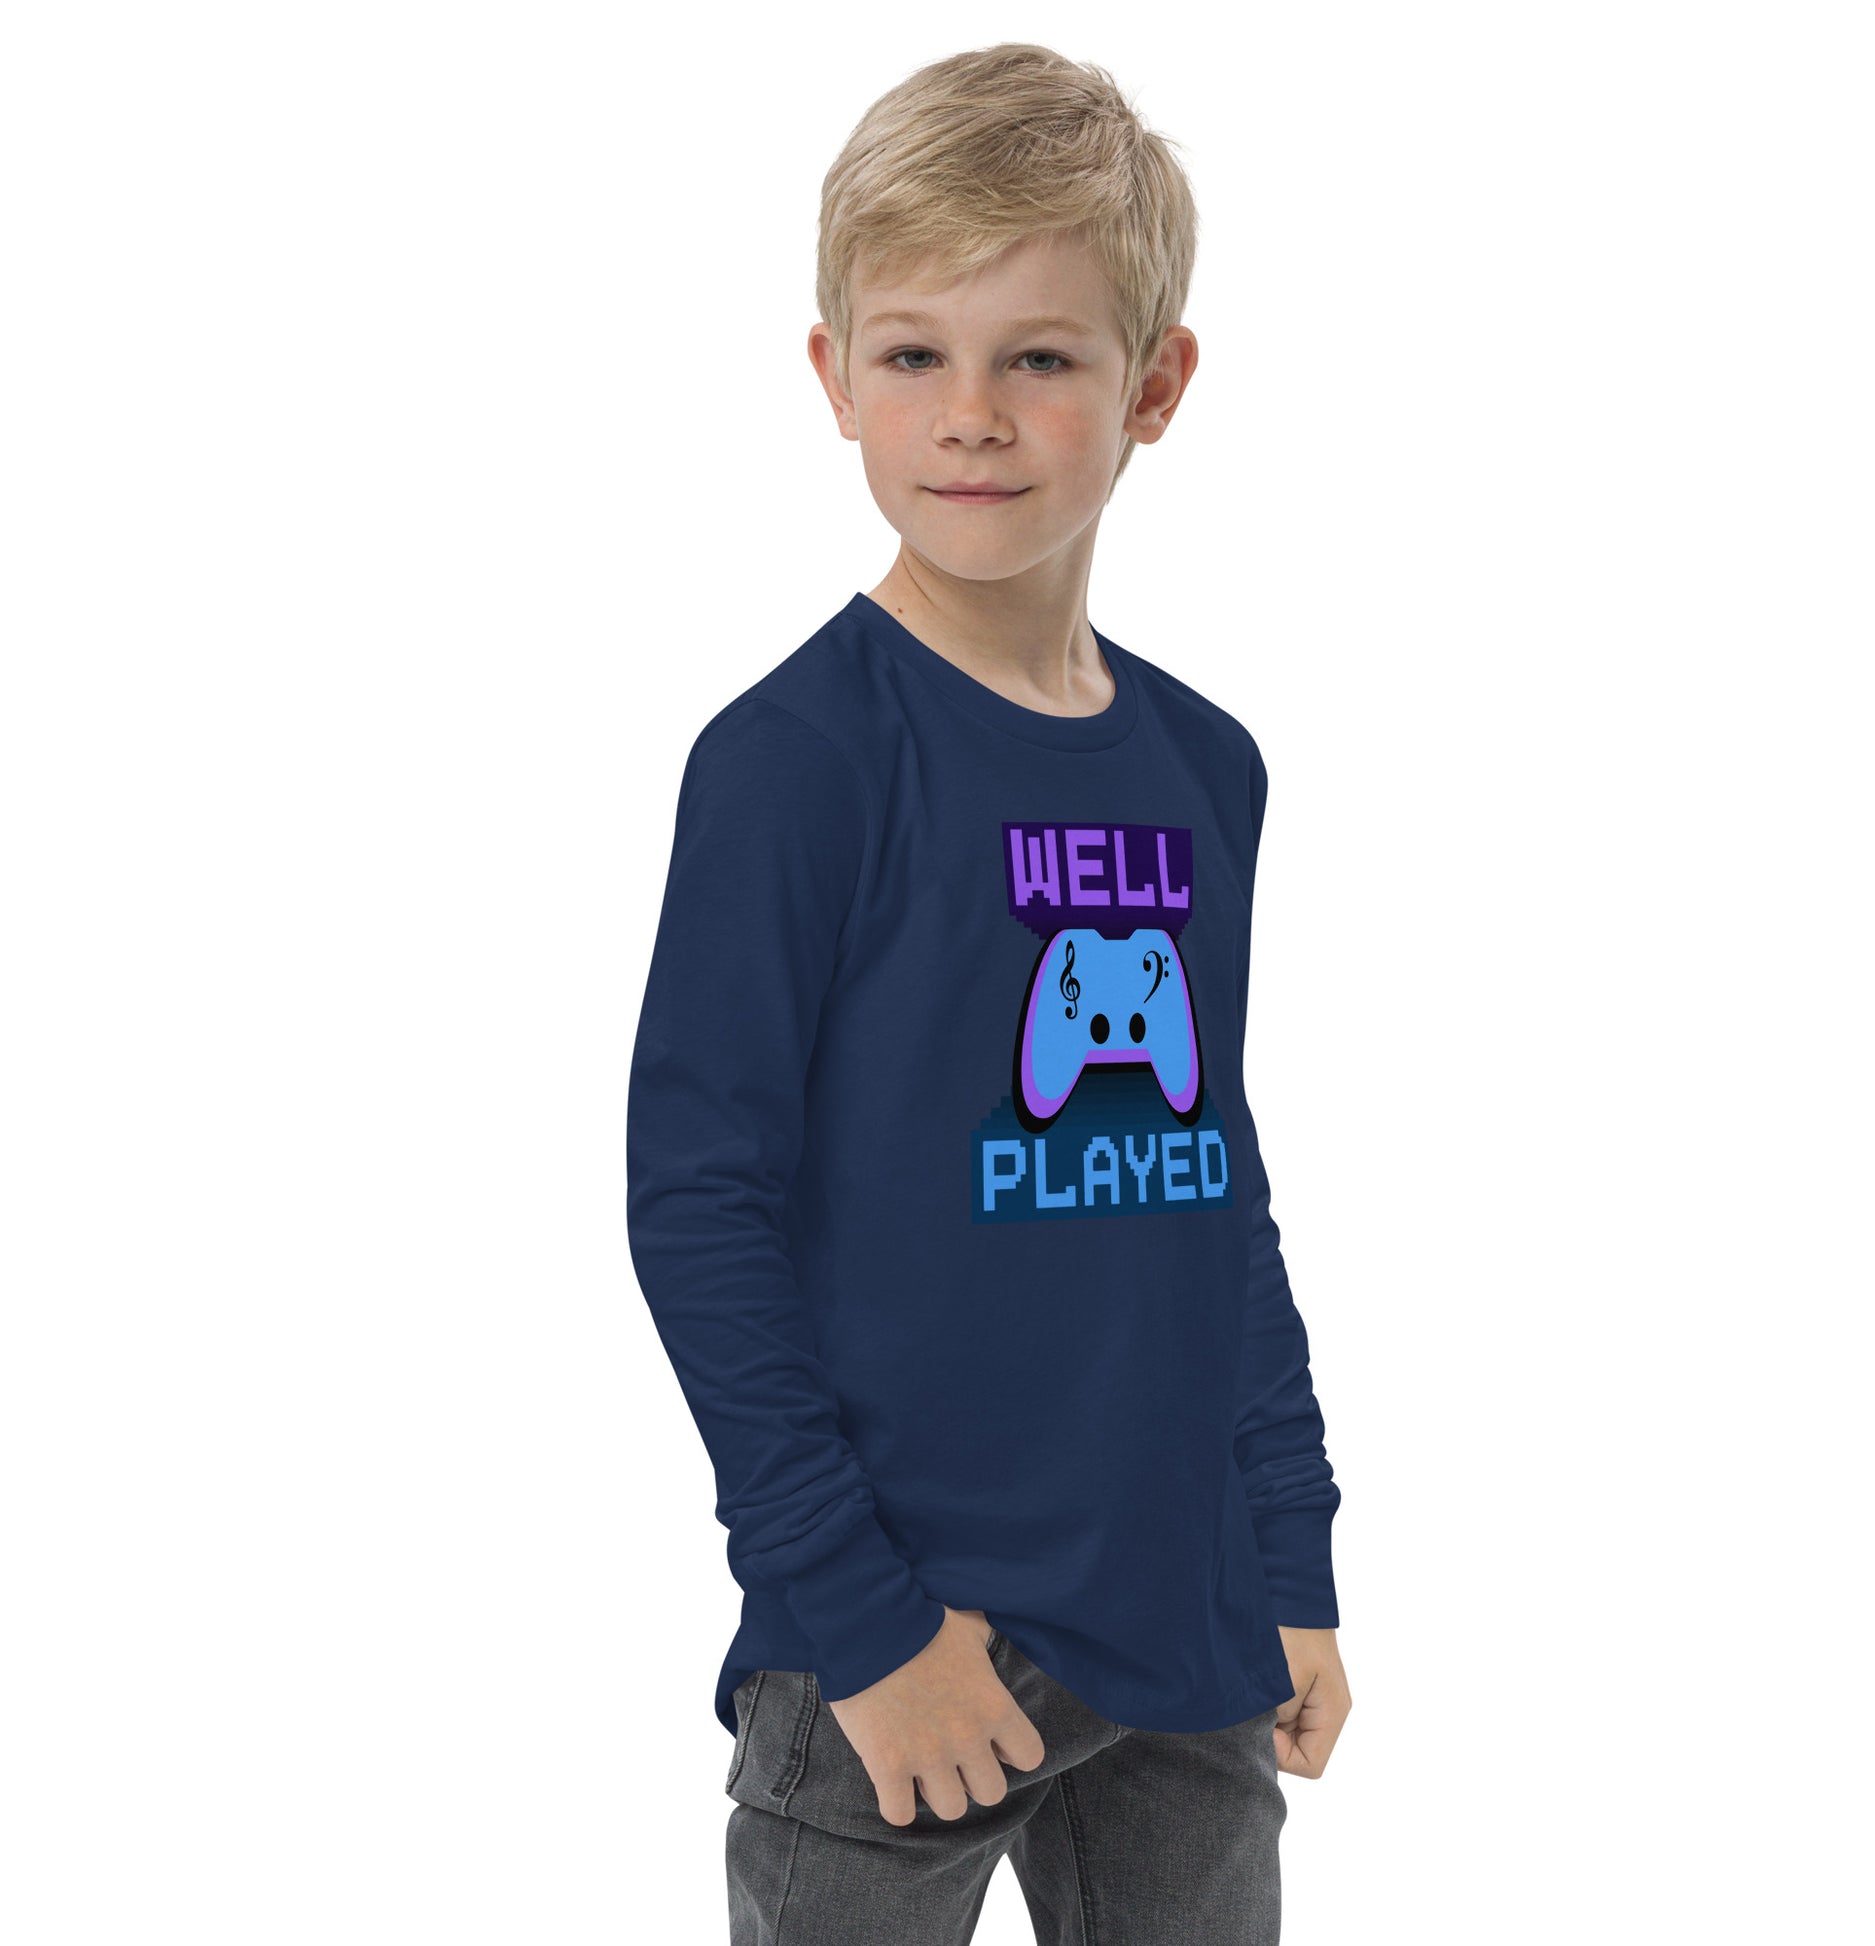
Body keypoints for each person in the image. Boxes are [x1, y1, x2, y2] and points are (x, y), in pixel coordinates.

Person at [626, 41, 1352, 1945]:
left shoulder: (1204, 766)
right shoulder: (793, 765)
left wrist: (1286, 1542)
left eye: (1036, 356)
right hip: (903, 1637)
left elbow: (1211, 1181)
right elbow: (698, 1208)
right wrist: (862, 1624)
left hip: (1185, 1622)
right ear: (831, 377)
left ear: (1153, 385)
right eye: (911, 353)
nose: (968, 415)